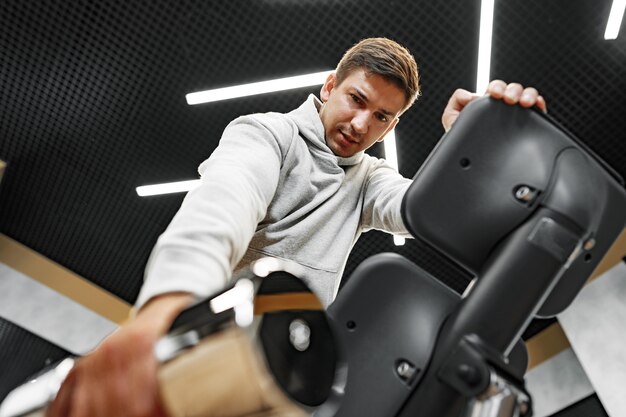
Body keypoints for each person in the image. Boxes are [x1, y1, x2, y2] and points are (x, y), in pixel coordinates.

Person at [46, 38, 547, 417]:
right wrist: (169, 311)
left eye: (381, 118)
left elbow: (426, 212)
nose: (361, 125)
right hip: (188, 341)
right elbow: (221, 206)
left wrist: (476, 144)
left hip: (271, 380)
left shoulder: (370, 178)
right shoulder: (267, 134)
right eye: (355, 99)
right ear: (329, 85)